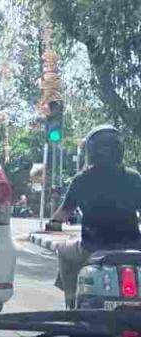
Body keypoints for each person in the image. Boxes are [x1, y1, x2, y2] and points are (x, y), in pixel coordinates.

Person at [51, 125, 141, 308]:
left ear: (90, 151)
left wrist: (52, 223)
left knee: (63, 249)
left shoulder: (82, 179)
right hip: (133, 245)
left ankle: (71, 300)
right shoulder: (134, 177)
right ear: (120, 150)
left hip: (92, 246)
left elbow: (61, 215)